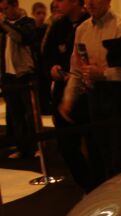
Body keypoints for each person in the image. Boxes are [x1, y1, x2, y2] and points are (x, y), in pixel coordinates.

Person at [58, 0, 121, 186]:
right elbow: (77, 70)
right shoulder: (82, 30)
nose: (90, 3)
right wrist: (68, 99)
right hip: (95, 99)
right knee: (102, 154)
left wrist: (105, 74)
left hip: (120, 97)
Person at [42, 0, 92, 190]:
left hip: (88, 93)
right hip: (64, 94)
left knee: (95, 145)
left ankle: (99, 184)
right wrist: (51, 69)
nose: (57, 4)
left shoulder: (89, 23)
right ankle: (86, 185)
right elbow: (46, 57)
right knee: (67, 147)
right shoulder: (57, 27)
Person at [0, 0, 38, 159]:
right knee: (15, 115)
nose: (3, 12)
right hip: (8, 76)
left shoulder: (28, 23)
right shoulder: (3, 27)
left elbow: (21, 38)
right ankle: (22, 148)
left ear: (15, 5)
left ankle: (37, 145)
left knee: (30, 115)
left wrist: (3, 24)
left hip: (24, 75)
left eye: (5, 8)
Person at [31, 1, 51, 113]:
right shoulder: (30, 30)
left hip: (44, 64)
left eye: (43, 13)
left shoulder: (47, 29)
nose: (41, 16)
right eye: (38, 13)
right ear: (33, 14)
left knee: (45, 88)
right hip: (35, 64)